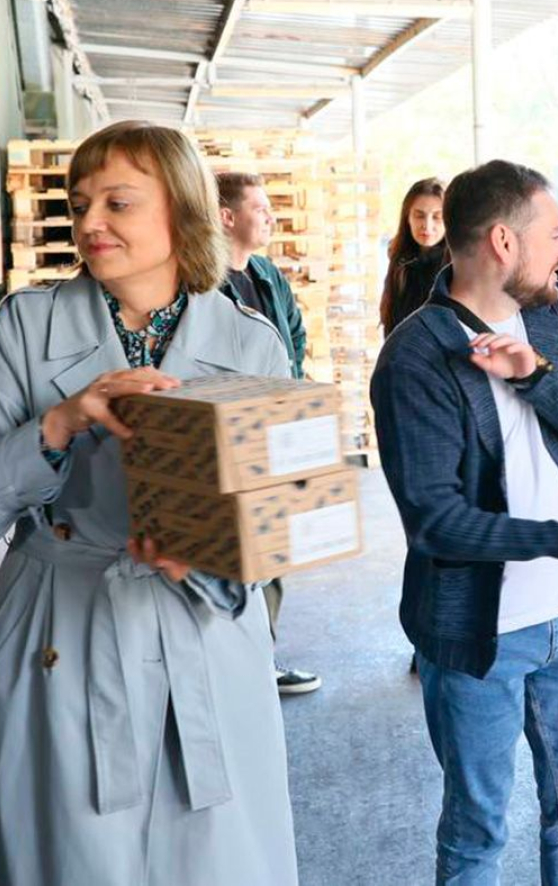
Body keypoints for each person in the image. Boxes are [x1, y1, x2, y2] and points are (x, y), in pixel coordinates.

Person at [0, 120, 297, 886]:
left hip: (205, 631)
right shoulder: (22, 327)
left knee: (218, 857)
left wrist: (214, 558)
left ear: (182, 208)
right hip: (59, 624)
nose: (91, 222)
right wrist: (60, 424)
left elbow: (277, 518)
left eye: (119, 202)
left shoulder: (253, 342)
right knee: (75, 855)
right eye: (80, 203)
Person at [372, 159, 558, 885]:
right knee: (478, 827)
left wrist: (535, 377)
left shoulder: (554, 311)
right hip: (479, 632)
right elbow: (437, 523)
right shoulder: (416, 358)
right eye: (555, 232)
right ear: (504, 242)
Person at [216, 170, 320, 697]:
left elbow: (293, 334)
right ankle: (225, 663)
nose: (271, 218)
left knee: (273, 546)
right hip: (227, 435)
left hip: (277, 429)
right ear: (227, 216)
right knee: (226, 548)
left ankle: (262, 658)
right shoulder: (201, 279)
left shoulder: (265, 273)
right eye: (260, 208)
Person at [380, 177, 446, 337]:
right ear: (407, 218)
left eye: (437, 217)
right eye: (419, 215)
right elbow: (390, 320)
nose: (427, 226)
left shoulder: (459, 266)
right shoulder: (399, 258)